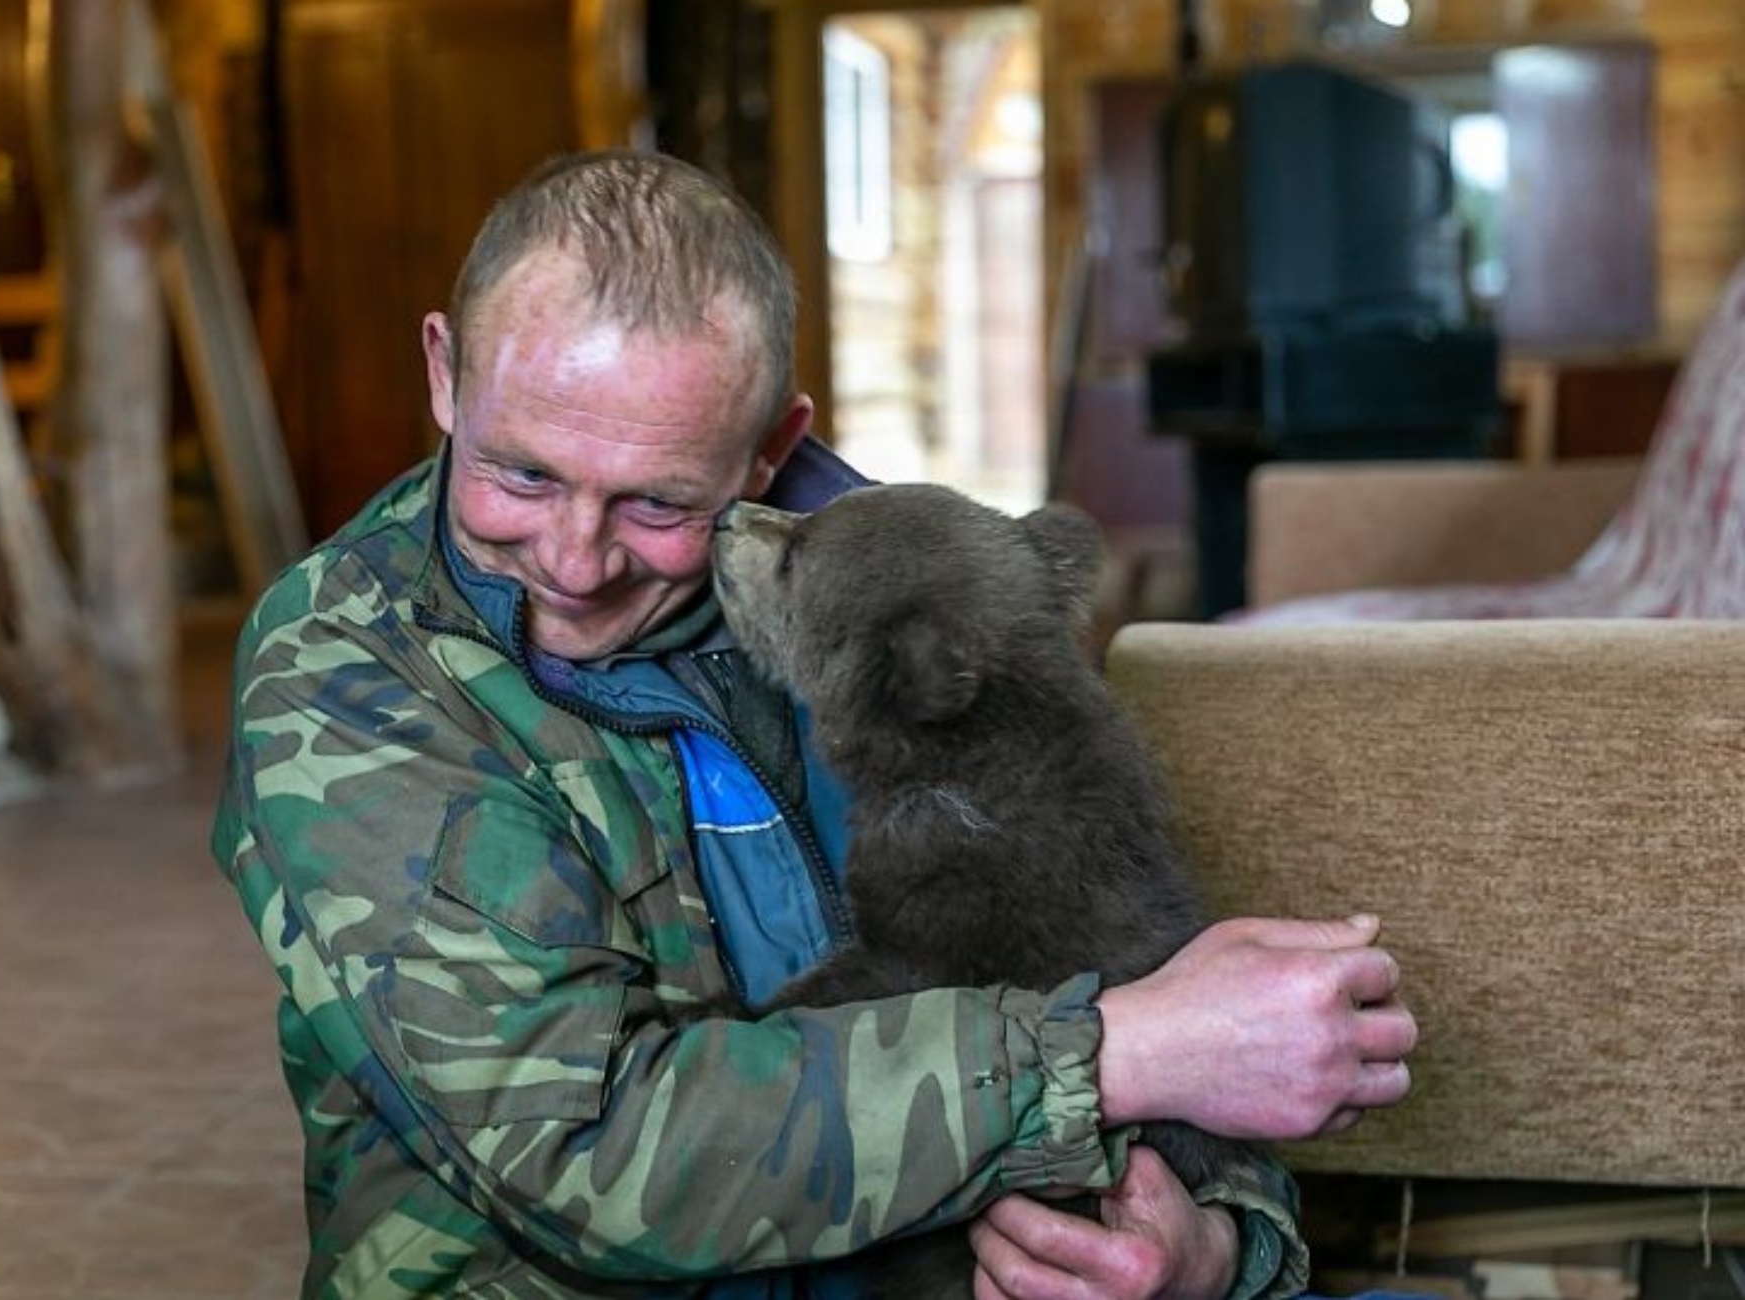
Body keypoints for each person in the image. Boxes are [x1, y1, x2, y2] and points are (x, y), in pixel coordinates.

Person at [211, 149, 1418, 1299]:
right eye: (520, 474)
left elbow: (1141, 956)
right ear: (443, 373)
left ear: (768, 449)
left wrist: (1208, 1249)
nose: (573, 563)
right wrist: (1107, 1052)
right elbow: (580, 1147)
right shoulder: (346, 664)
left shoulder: (898, 605)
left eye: (656, 499)